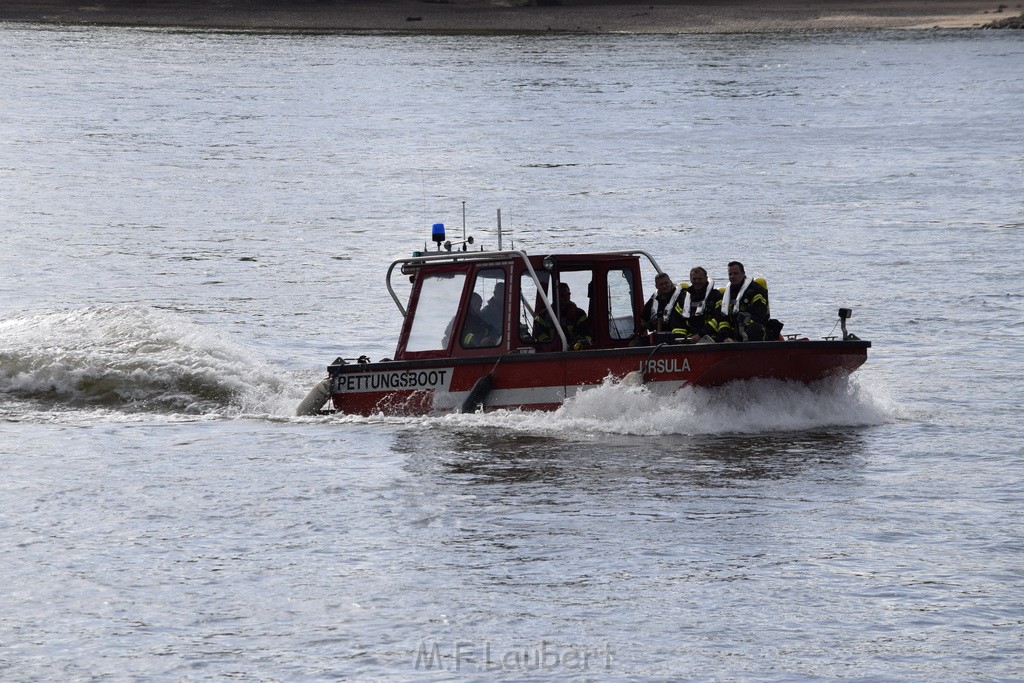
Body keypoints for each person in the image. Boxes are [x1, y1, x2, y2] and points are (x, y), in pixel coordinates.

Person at [717, 261, 771, 342]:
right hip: (734, 333)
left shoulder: (755, 291)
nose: (732, 276)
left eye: (735, 273)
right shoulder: (727, 294)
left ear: (743, 274)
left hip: (756, 333)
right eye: (730, 274)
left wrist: (737, 337)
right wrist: (725, 336)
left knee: (755, 328)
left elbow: (759, 317)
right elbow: (724, 319)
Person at [671, 266, 726, 343]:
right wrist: (682, 340)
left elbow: (719, 318)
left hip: (712, 339)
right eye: (694, 279)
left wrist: (701, 334)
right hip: (690, 340)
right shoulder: (683, 300)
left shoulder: (716, 296)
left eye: (700, 279)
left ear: (706, 278)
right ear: (690, 279)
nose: (697, 281)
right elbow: (677, 323)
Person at [533, 282, 592, 349]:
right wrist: (554, 344)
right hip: (553, 355)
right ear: (555, 296)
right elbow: (540, 337)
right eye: (562, 295)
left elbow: (587, 335)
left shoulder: (580, 314)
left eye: (568, 294)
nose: (566, 296)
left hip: (576, 354)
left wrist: (580, 343)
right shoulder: (542, 317)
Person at [633, 272, 685, 344]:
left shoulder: (681, 297)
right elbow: (643, 319)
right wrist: (637, 333)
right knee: (635, 344)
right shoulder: (654, 298)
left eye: (666, 283)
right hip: (657, 336)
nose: (664, 286)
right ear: (656, 286)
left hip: (676, 337)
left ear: (670, 282)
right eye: (661, 284)